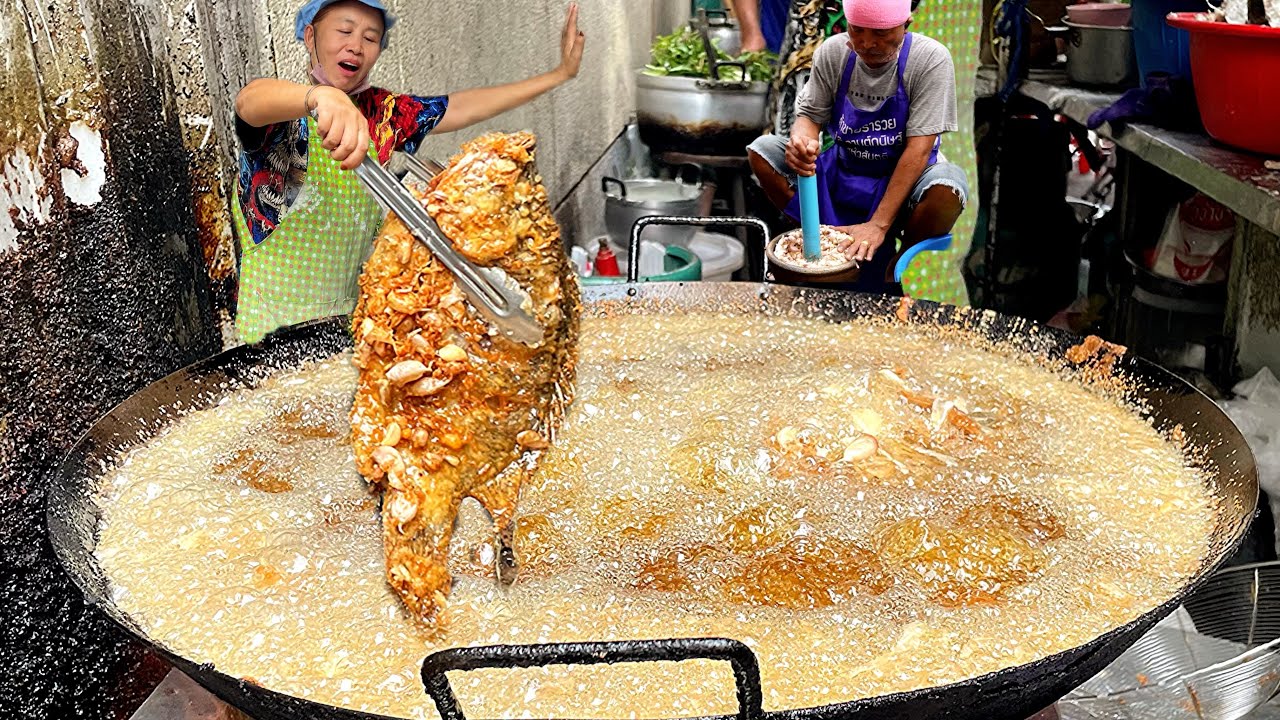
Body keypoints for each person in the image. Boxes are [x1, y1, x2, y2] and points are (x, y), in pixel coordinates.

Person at [231, 0, 585, 344]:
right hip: (271, 339)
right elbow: (249, 101)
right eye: (344, 30)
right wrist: (321, 97)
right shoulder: (284, 117)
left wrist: (559, 75)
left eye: (370, 38)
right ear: (310, 37)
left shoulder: (384, 115)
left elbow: (459, 106)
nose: (356, 45)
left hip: (350, 332)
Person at [746, 0, 967, 295]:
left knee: (948, 186)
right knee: (763, 151)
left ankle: (896, 264)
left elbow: (919, 149)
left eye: (880, 33)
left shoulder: (929, 59)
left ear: (906, 24)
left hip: (904, 178)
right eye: (857, 30)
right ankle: (822, 241)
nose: (866, 43)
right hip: (846, 170)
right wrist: (803, 140)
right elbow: (809, 116)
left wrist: (878, 224)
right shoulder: (834, 51)